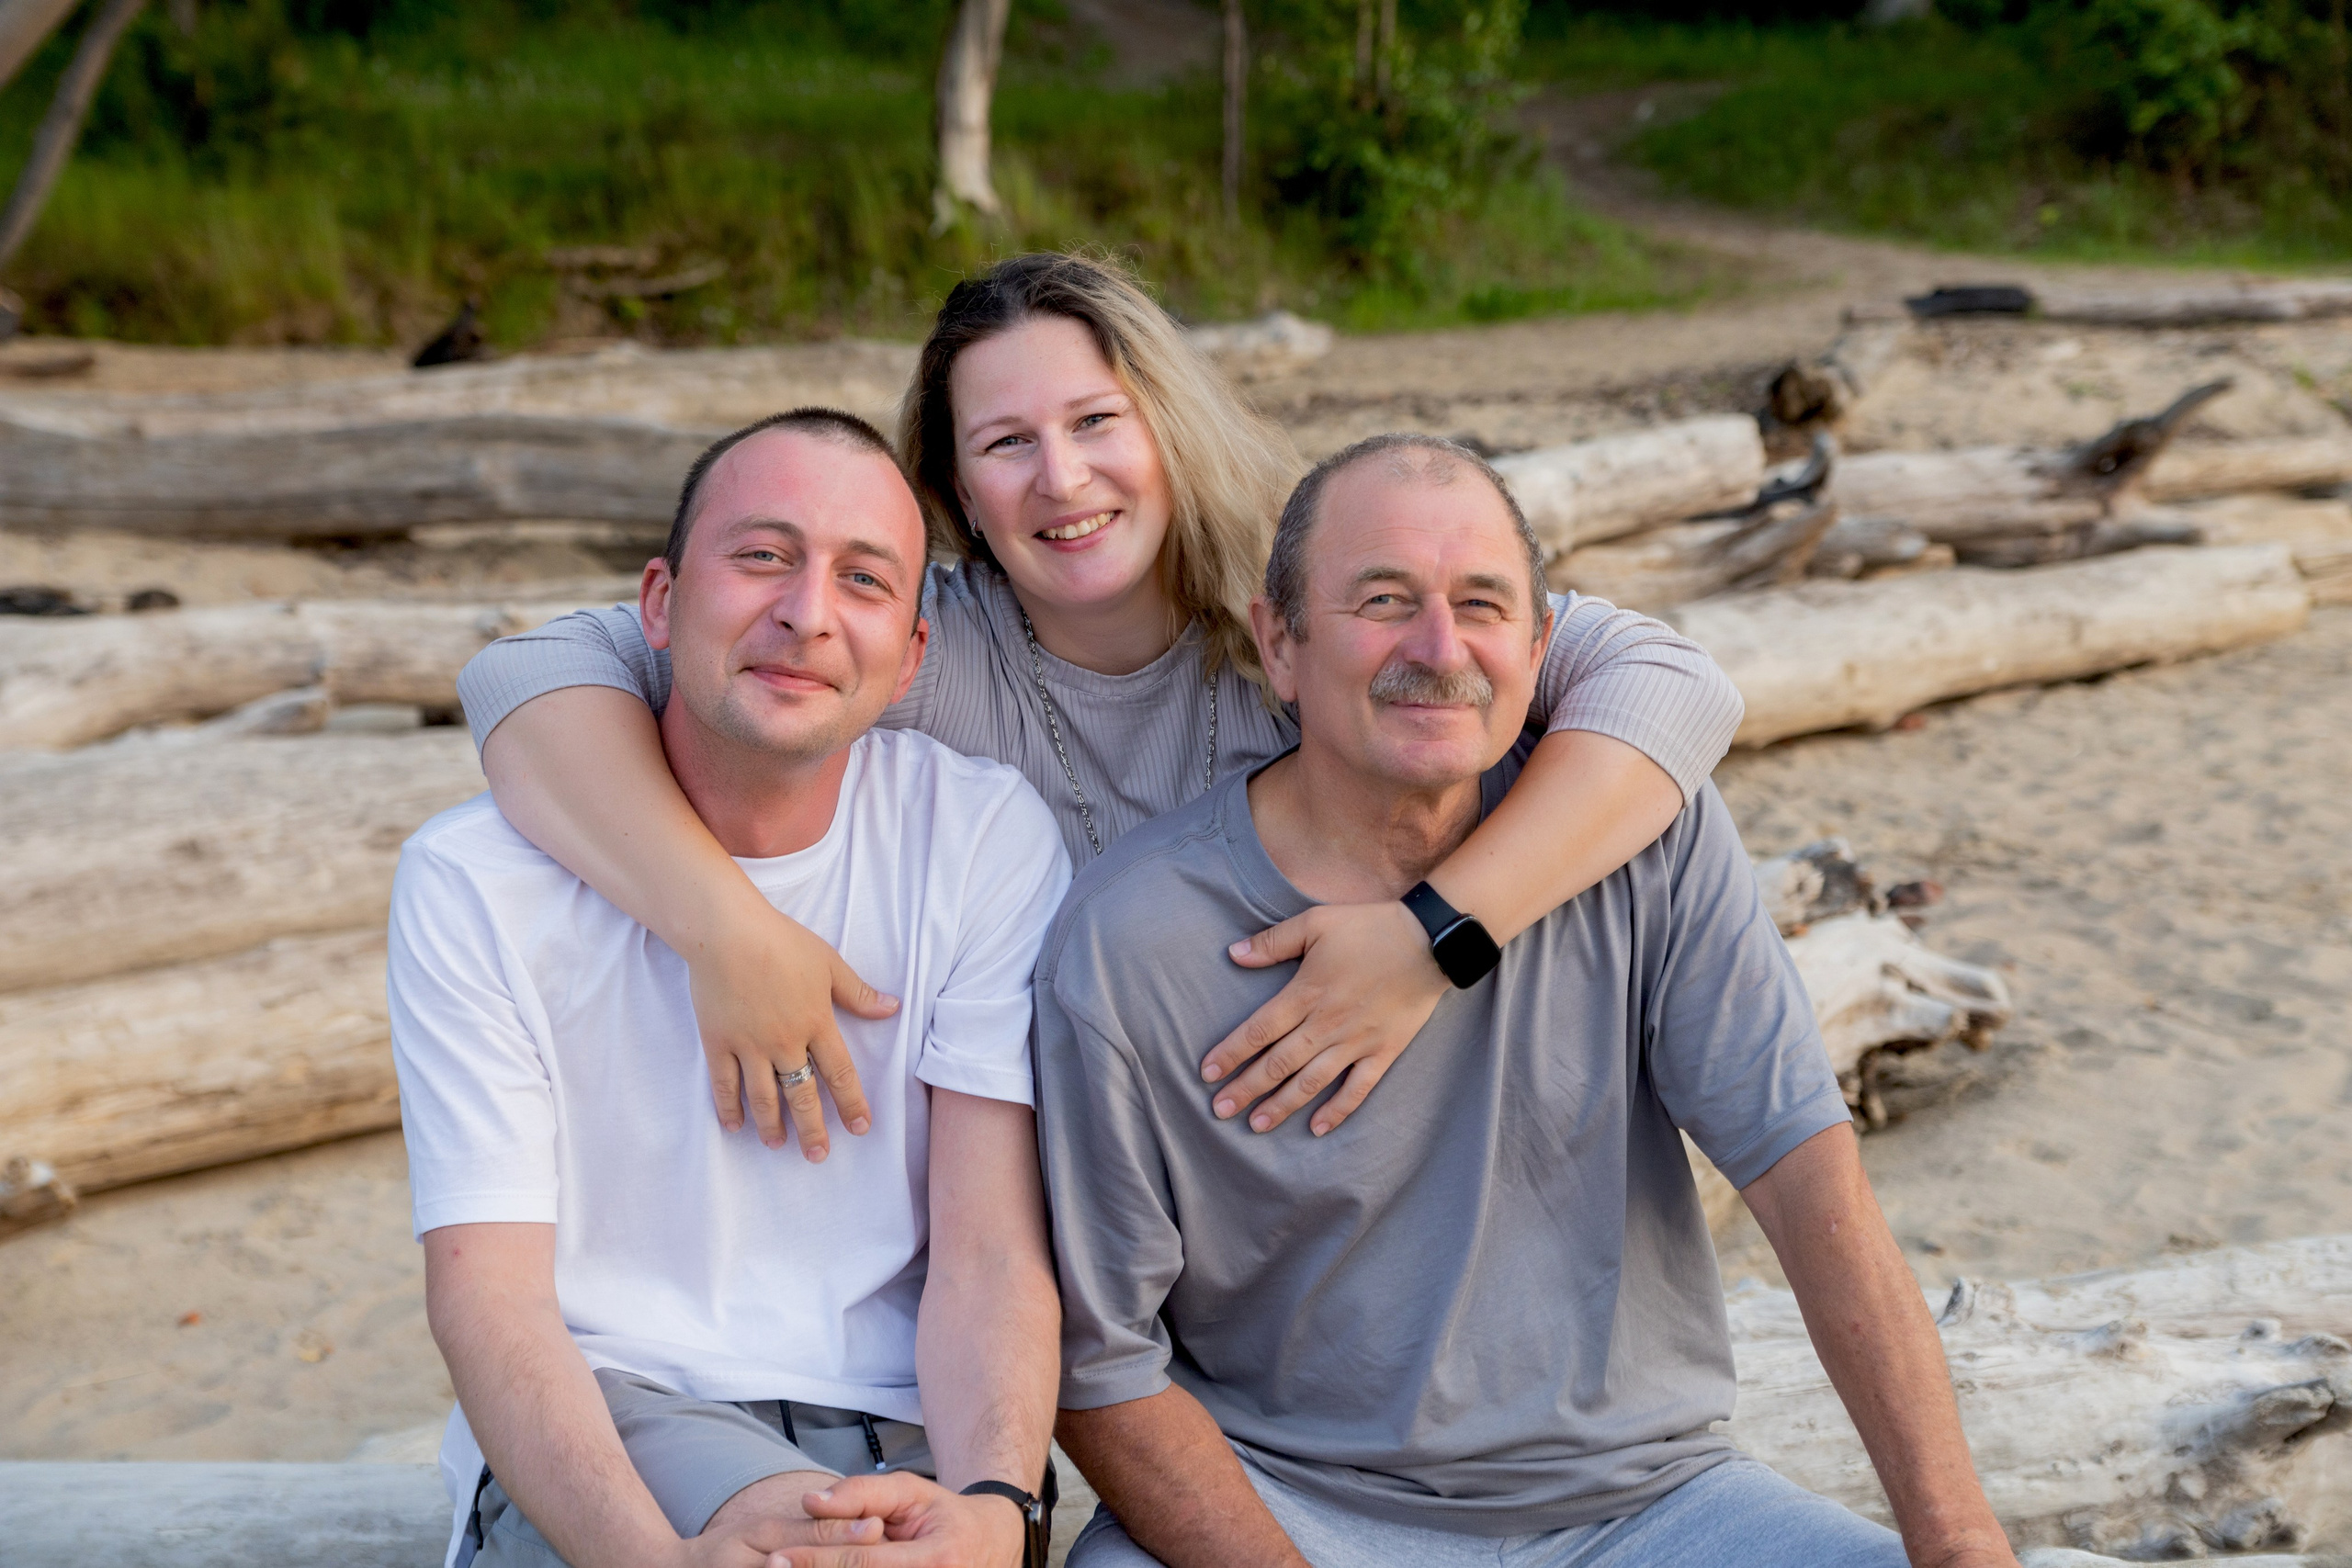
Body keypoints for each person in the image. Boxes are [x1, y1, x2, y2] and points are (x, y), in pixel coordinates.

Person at [455, 253, 1745, 1164]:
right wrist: (724, 929)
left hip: (1298, 1158)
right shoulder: (917, 646)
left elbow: (1674, 684)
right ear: (954, 483)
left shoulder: (1309, 613)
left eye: (1095, 420)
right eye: (1005, 442)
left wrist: (1436, 935)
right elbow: (522, 677)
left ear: (1165, 423)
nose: (1061, 477)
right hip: (1013, 1175)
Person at [1034, 434, 2022, 1568]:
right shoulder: (1129, 941)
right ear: (1279, 643)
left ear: (1542, 645)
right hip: (1292, 1503)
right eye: (1383, 600)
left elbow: (1810, 1185)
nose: (1438, 648)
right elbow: (1098, 1364)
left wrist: (1955, 1543)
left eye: (1482, 604)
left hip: (1652, 1506)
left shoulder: (1648, 835)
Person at [390, 410, 1068, 1568]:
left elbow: (988, 1254)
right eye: (761, 556)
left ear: (908, 659)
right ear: (658, 602)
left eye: (863, 579)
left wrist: (997, 1511)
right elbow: (489, 1297)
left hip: (907, 1432)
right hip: (613, 1426)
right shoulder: (474, 880)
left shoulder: (978, 837)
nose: (806, 613)